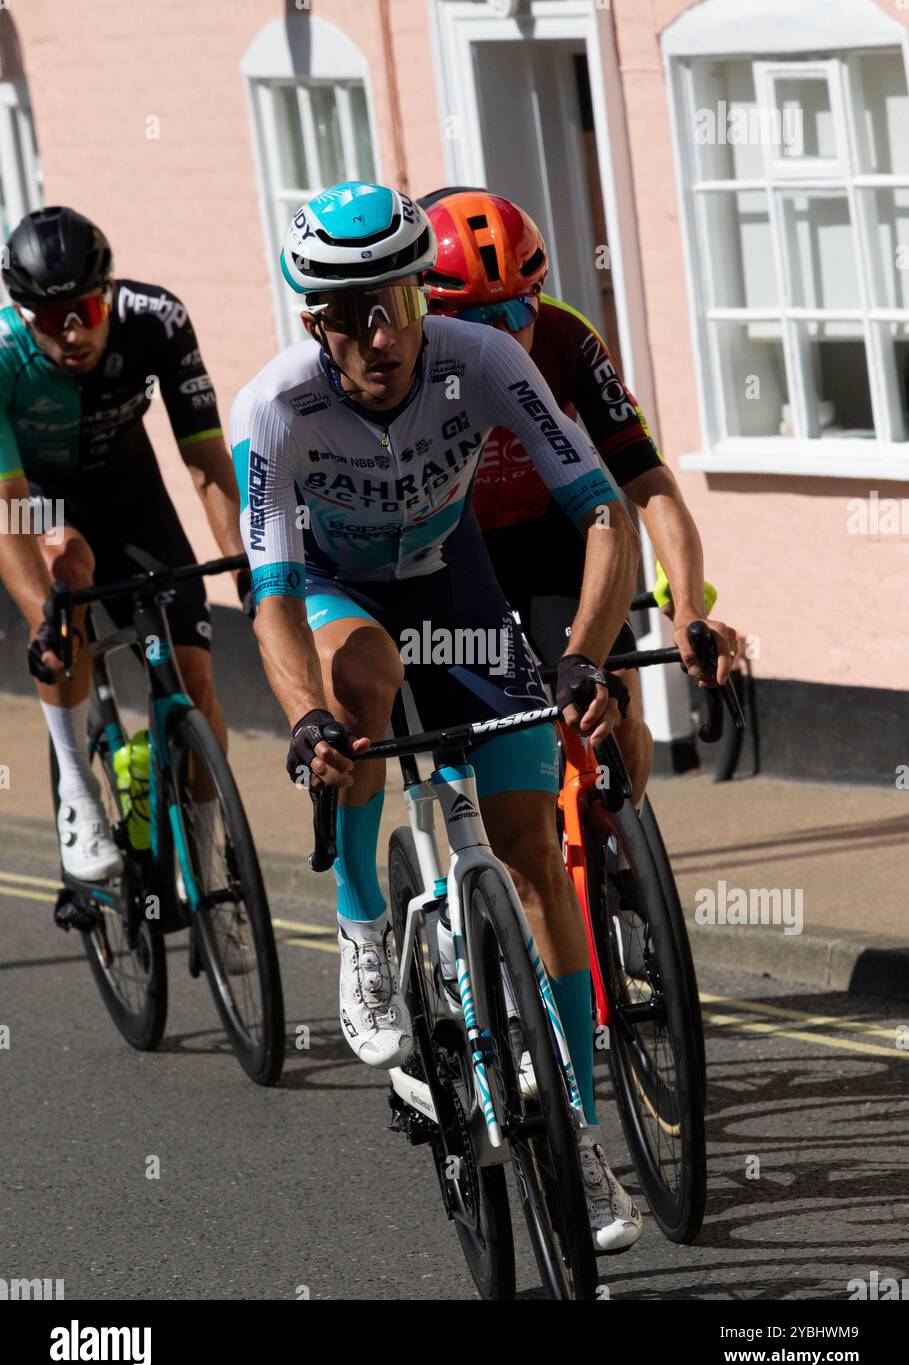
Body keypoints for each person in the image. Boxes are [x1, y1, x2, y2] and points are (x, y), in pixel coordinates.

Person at [232, 179, 643, 1251]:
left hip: (458, 590)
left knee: (533, 859)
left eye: (401, 303)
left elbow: (605, 511)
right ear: (315, 321)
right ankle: (365, 924)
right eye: (353, 314)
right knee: (360, 681)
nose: (383, 335)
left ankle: (580, 1138)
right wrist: (308, 720)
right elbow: (267, 594)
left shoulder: (485, 360)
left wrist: (586, 658)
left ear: (423, 297)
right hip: (339, 595)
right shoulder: (275, 407)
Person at [420, 188, 739, 803]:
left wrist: (688, 606)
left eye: (518, 312)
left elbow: (647, 481)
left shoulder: (568, 339)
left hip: (549, 537)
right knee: (489, 754)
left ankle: (621, 867)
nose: (507, 338)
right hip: (453, 550)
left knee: (614, 702)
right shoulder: (414, 364)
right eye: (479, 322)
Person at [0, 207, 249, 914]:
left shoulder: (157, 319)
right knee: (63, 566)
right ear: (26, 318)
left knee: (195, 682)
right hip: (41, 498)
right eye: (49, 320)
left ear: (106, 293)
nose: (72, 332)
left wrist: (244, 569)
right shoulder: (1, 357)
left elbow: (203, 456)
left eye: (82, 309)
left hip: (130, 493)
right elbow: (8, 506)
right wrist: (45, 622)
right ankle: (77, 793)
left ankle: (206, 869)